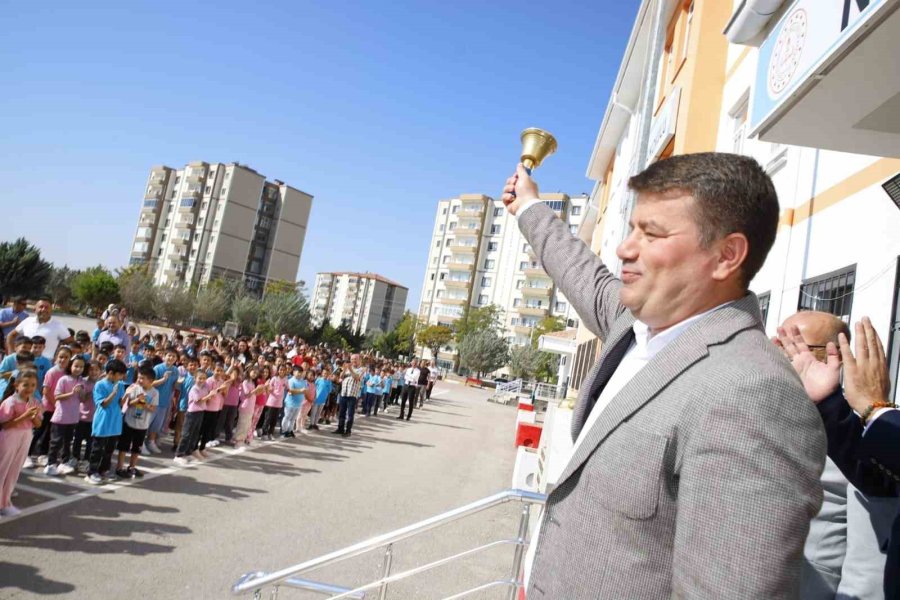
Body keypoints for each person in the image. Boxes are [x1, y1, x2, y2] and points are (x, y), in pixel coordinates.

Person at [502, 153, 825, 598]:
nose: (624, 248)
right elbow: (583, 273)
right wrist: (530, 208)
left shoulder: (752, 393)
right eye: (633, 228)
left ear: (726, 256)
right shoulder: (635, 326)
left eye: (651, 233)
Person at [774, 311, 897, 599]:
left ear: (834, 356)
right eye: (777, 342)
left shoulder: (853, 434)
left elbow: (868, 564)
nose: (780, 353)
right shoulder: (756, 413)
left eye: (793, 344)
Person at [0, 369, 43, 517]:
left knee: (14, 469)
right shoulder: (10, 402)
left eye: (32, 385)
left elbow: (38, 424)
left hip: (26, 435)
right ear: (17, 385)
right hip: (10, 436)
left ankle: (6, 502)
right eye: (26, 385)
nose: (29, 389)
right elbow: (5, 425)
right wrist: (24, 416)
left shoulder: (33, 402)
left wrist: (33, 416)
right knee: (3, 469)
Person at [28, 345, 72, 467]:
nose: (63, 360)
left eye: (66, 357)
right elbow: (46, 391)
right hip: (48, 406)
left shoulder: (68, 373)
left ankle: (43, 454)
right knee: (39, 430)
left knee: (50, 432)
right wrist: (55, 404)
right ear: (56, 358)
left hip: (58, 408)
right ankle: (27, 454)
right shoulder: (52, 372)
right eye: (61, 357)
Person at [86, 359, 127, 484]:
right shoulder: (100, 385)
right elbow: (103, 404)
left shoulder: (120, 385)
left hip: (115, 420)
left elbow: (120, 403)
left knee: (109, 449)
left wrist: (126, 396)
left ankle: (104, 469)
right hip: (103, 420)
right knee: (97, 448)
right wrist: (113, 393)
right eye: (119, 374)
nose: (121, 377)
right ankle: (92, 472)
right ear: (110, 373)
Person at [45, 355, 88, 476]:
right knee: (56, 441)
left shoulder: (81, 381)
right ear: (70, 366)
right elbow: (57, 396)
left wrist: (82, 392)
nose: (78, 368)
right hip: (61, 416)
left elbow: (83, 399)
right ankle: (50, 464)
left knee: (68, 441)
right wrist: (71, 392)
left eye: (81, 366)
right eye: (76, 366)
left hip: (73, 417)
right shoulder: (64, 379)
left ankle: (64, 462)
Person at [115, 363, 158, 479]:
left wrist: (144, 403)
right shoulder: (134, 388)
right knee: (123, 446)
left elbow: (153, 408)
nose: (139, 380)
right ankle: (119, 467)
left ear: (151, 380)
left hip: (142, 425)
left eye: (142, 378)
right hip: (129, 422)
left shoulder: (154, 392)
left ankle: (132, 467)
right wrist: (137, 400)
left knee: (136, 447)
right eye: (138, 377)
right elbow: (128, 404)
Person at [7, 296, 73, 360]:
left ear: (51, 310)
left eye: (47, 307)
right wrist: (11, 354)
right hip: (25, 362)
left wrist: (58, 356)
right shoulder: (28, 321)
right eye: (41, 307)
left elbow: (70, 342)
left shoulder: (58, 325)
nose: (44, 309)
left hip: (46, 364)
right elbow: (11, 336)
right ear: (35, 309)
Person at [174, 368, 212, 465]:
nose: (202, 380)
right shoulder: (194, 389)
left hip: (200, 413)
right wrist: (209, 396)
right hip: (192, 414)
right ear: (195, 378)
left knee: (195, 434)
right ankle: (179, 454)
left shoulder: (204, 388)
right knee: (186, 434)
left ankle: (188, 452)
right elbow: (198, 400)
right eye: (200, 378)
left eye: (204, 378)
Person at [145, 347, 178, 454]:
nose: (171, 358)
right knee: (146, 423)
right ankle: (140, 443)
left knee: (157, 425)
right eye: (169, 355)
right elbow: (150, 383)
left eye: (173, 356)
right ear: (164, 356)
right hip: (152, 401)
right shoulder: (158, 368)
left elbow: (174, 385)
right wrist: (163, 379)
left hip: (164, 402)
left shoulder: (175, 370)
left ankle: (151, 442)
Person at [72, 360, 99, 471]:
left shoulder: (100, 383)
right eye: (91, 369)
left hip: (94, 418)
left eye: (96, 370)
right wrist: (91, 392)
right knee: (77, 439)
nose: (93, 372)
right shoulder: (83, 382)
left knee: (90, 441)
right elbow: (82, 399)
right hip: (81, 416)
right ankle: (75, 458)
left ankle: (87, 460)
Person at [335, 357, 363, 437]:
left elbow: (357, 378)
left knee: (350, 414)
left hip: (352, 394)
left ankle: (348, 431)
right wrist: (344, 369)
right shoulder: (347, 368)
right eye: (352, 359)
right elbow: (341, 376)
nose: (353, 360)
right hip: (344, 393)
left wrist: (350, 368)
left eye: (355, 359)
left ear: (359, 360)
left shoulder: (361, 369)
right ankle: (340, 428)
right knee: (341, 412)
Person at [283, 365, 306, 438]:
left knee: (293, 418)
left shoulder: (303, 381)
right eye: (298, 372)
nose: (300, 374)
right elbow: (291, 391)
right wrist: (300, 391)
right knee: (287, 417)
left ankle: (290, 430)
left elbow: (305, 390)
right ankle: (284, 430)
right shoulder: (291, 381)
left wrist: (302, 391)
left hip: (298, 404)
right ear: (293, 372)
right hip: (290, 403)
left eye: (301, 372)